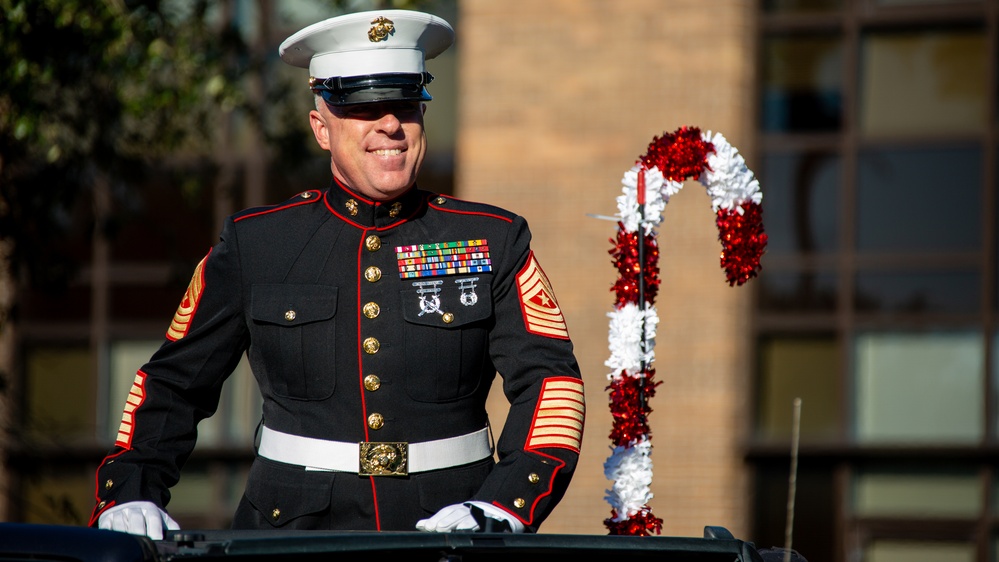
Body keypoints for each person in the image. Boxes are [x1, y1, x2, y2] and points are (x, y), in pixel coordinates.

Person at [89, 9, 585, 539]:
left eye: (405, 106)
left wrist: (505, 504)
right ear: (321, 128)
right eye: (364, 107)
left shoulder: (493, 239)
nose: (390, 125)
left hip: (447, 532)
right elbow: (173, 384)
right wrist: (129, 490)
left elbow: (551, 382)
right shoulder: (258, 243)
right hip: (289, 538)